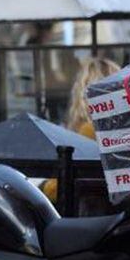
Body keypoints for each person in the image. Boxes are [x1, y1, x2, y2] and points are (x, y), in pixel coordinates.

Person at [40, 56, 121, 203]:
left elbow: (56, 190)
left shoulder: (88, 131)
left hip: (93, 217)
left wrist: (42, 186)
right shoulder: (127, 129)